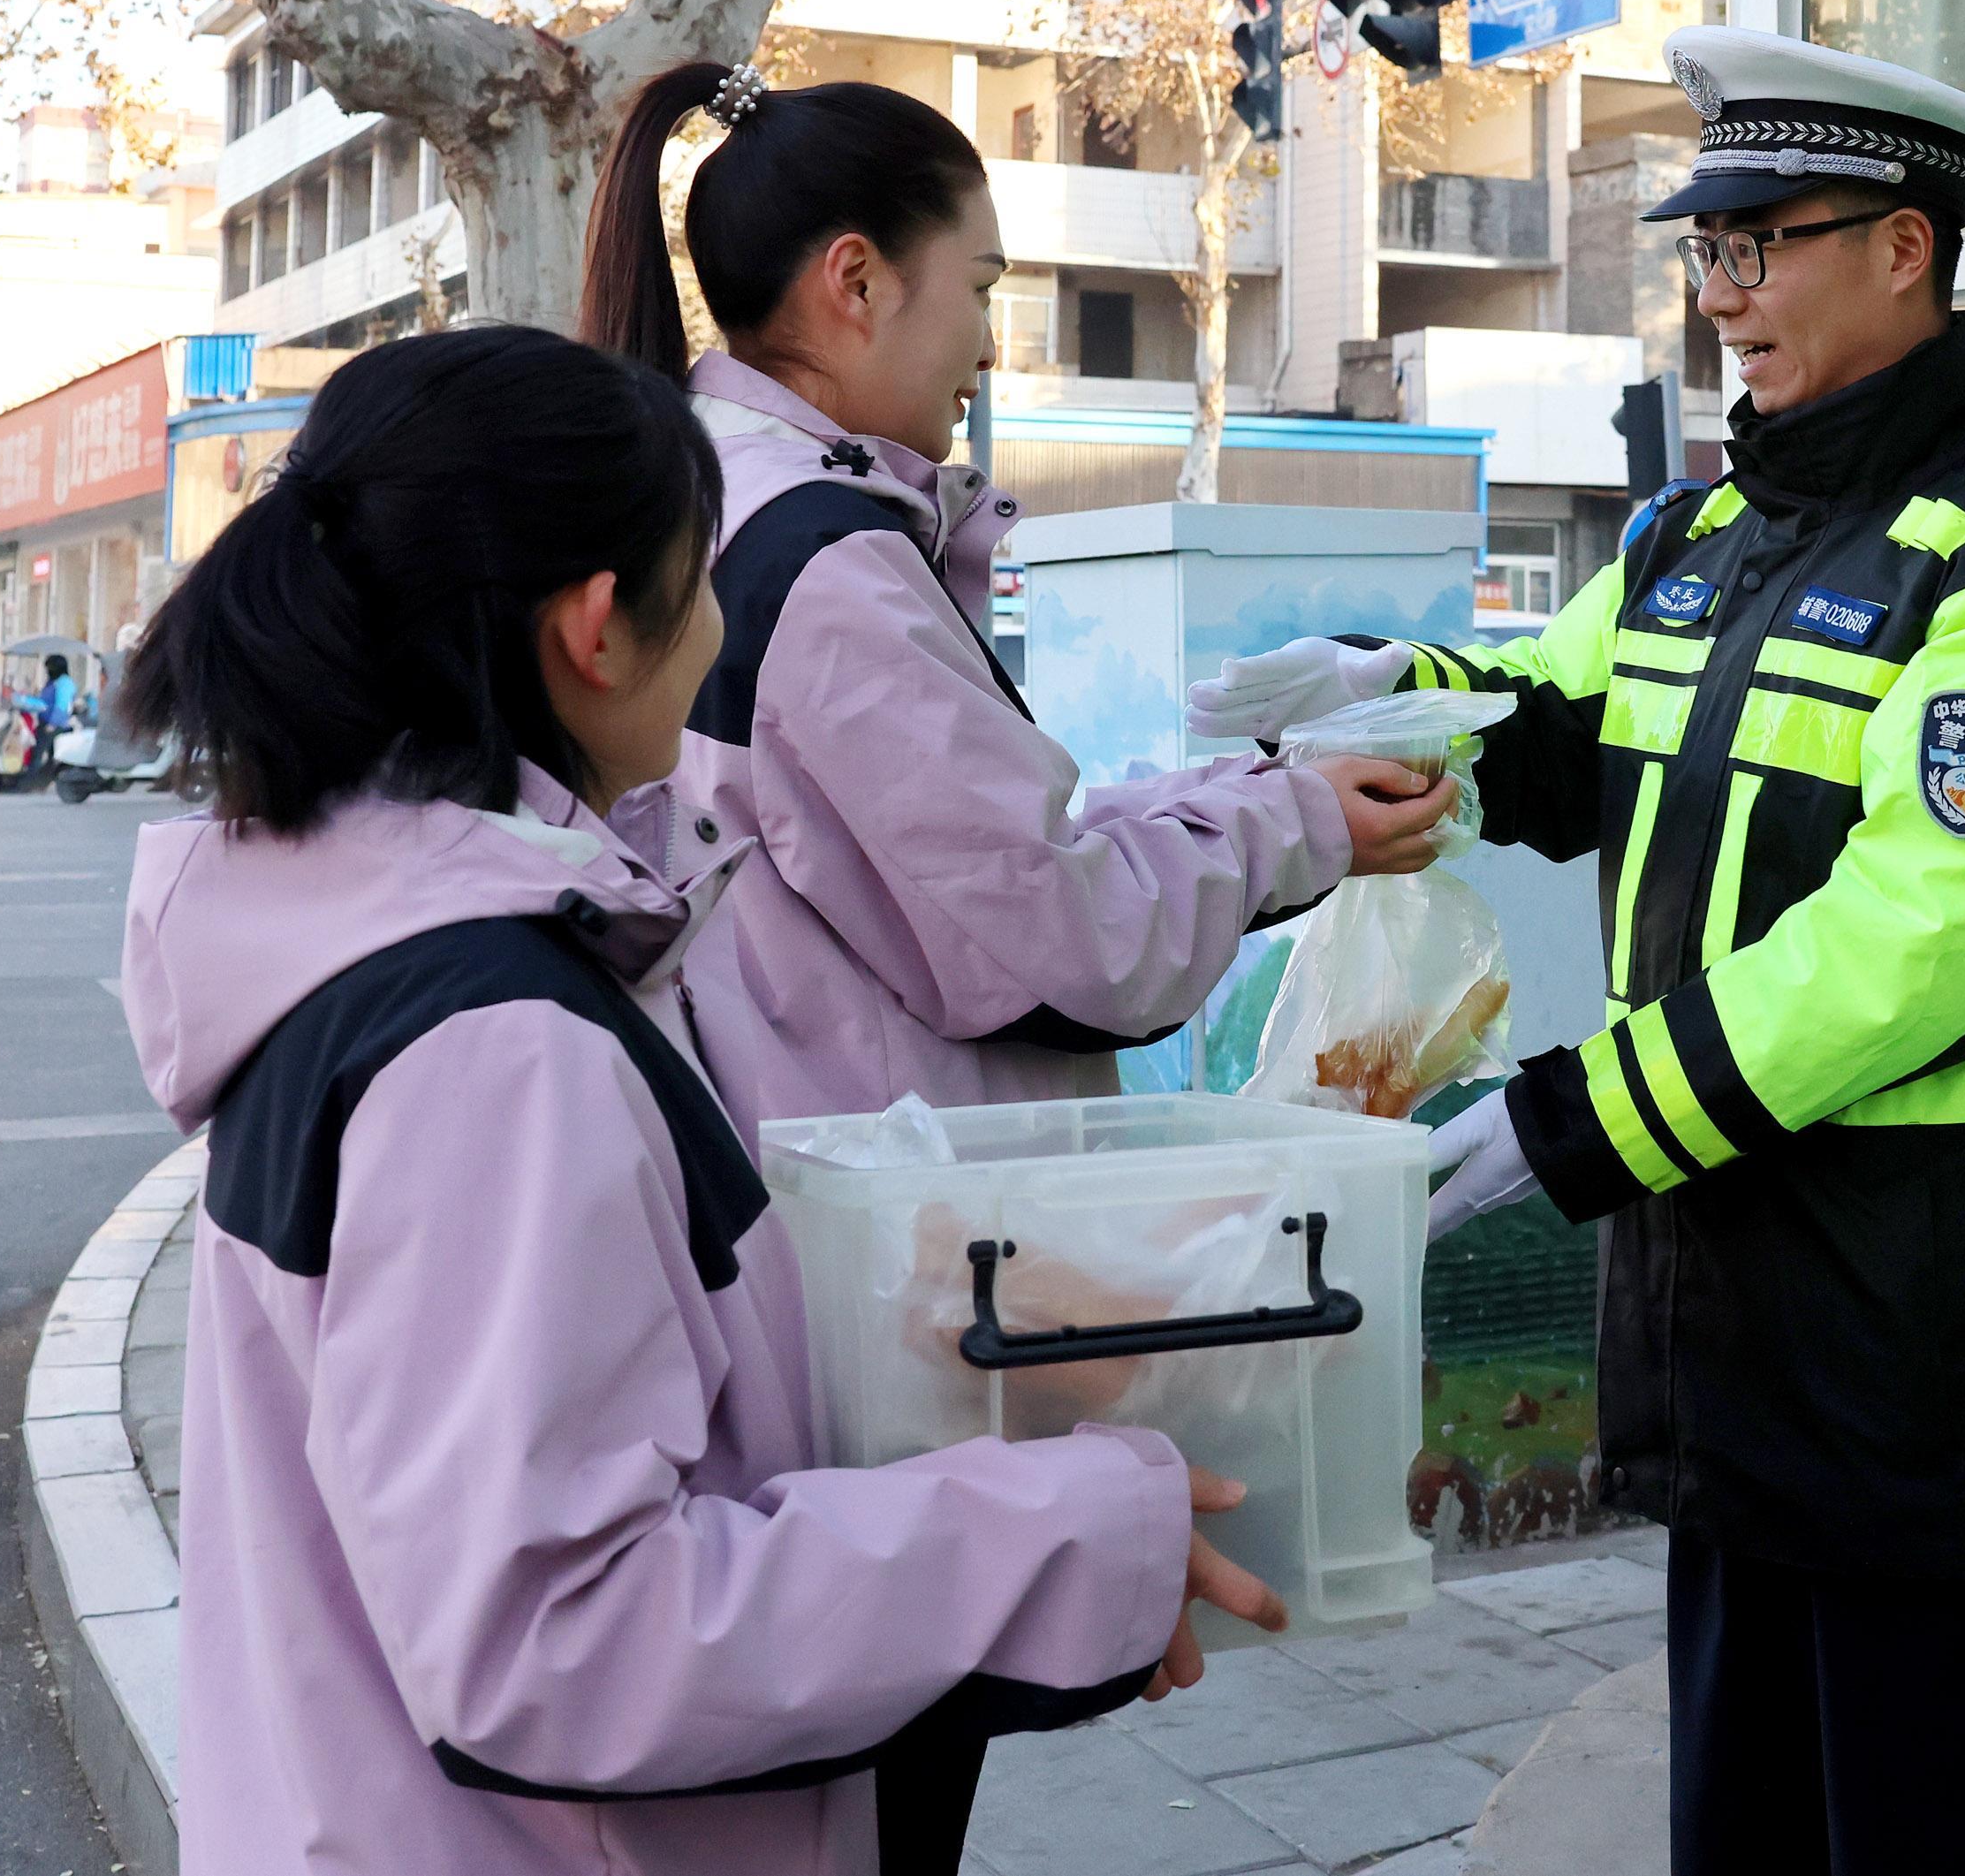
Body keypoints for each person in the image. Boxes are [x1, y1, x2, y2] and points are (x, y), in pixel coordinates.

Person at [1191, 24, 1965, 1876]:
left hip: (1929, 1376)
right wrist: (1389, 692)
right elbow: (1558, 724)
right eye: (1705, 250)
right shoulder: (1699, 538)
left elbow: (1910, 947)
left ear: (1905, 246)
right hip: (1730, 1352)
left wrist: (1572, 1122)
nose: (1719, 294)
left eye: (1757, 246)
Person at [115, 325, 1281, 1876]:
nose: (725, 622)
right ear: (598, 630)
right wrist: (1067, 1536)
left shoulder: (374, 940)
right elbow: (561, 1639)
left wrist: (937, 1350)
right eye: (704, 572)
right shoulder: (490, 1047)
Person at [576, 60, 1461, 1145]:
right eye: (982, 286)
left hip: (783, 1157)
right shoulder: (826, 564)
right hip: (902, 1204)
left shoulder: (699, 497)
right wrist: (1300, 821)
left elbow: (977, 858)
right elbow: (1062, 940)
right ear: (855, 281)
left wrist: (1271, 793)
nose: (991, 347)